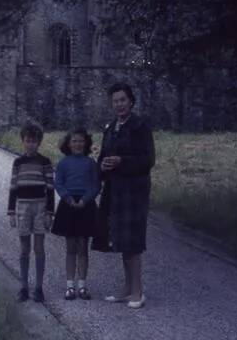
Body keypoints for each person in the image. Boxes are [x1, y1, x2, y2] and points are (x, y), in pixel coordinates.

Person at [94, 82, 155, 309]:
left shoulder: (140, 126)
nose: (119, 104)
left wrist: (122, 162)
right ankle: (127, 289)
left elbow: (148, 160)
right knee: (120, 240)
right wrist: (103, 166)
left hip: (134, 192)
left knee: (133, 242)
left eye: (122, 100)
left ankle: (138, 292)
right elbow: (103, 158)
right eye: (115, 101)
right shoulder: (110, 128)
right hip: (114, 191)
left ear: (131, 101)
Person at [7, 121, 55, 303]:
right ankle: (24, 287)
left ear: (39, 142)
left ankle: (39, 288)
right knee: (24, 248)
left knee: (39, 248)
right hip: (22, 207)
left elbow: (50, 189)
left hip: (40, 207)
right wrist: (11, 211)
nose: (30, 144)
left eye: (34, 141)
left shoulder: (45, 162)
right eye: (27, 140)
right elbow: (13, 188)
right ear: (23, 141)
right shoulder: (18, 163)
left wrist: (50, 212)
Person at [51, 129, 100, 300]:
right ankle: (70, 286)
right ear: (68, 144)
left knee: (83, 248)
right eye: (74, 141)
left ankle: (82, 286)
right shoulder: (64, 163)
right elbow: (59, 183)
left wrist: (84, 200)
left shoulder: (91, 163)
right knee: (70, 248)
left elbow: (95, 185)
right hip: (68, 205)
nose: (78, 144)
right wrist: (69, 199)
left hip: (85, 206)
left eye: (81, 141)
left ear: (86, 143)